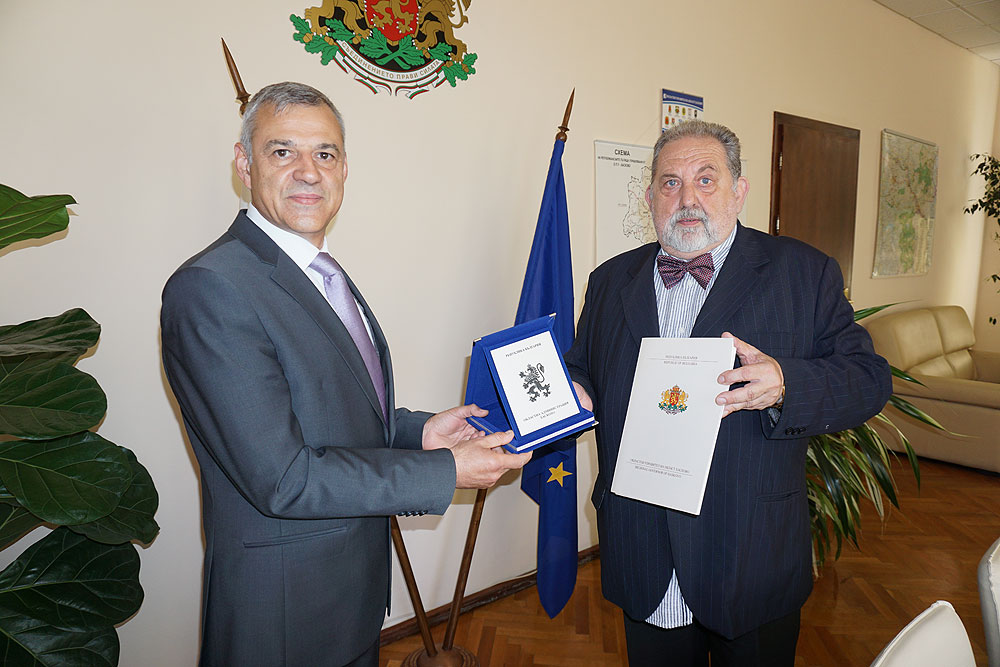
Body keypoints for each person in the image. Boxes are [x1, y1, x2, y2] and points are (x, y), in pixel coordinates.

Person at [160, 81, 530, 667]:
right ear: (244, 164)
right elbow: (284, 477)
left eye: (325, 153)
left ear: (344, 168)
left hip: (350, 595)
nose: (309, 171)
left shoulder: (318, 270)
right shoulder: (213, 287)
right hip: (285, 612)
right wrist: (445, 470)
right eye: (283, 151)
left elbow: (331, 411)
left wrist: (420, 432)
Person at [564, 120, 891, 666]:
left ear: (739, 191)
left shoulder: (804, 273)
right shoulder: (609, 280)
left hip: (749, 553)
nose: (687, 198)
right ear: (650, 197)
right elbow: (585, 369)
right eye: (670, 182)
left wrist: (787, 383)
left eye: (706, 179)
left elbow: (868, 379)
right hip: (643, 548)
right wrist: (574, 393)